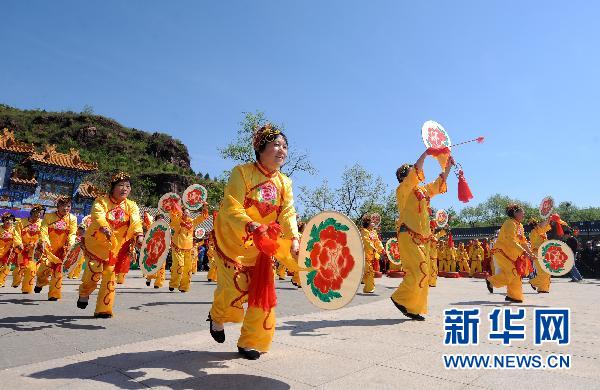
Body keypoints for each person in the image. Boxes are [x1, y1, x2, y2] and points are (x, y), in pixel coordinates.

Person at [208, 123, 300, 359]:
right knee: (234, 289)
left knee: (262, 292)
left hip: (263, 245)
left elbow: (287, 213)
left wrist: (294, 238)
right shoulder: (242, 172)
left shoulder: (285, 182)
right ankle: (217, 317)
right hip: (234, 241)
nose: (282, 150)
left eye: (285, 146)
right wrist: (251, 225)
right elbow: (231, 205)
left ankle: (250, 341)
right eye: (276, 145)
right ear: (261, 148)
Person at [390, 148, 454, 321]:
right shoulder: (402, 189)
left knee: (424, 273)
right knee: (418, 271)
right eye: (412, 170)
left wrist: (448, 166)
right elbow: (416, 170)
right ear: (405, 175)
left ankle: (412, 307)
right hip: (408, 235)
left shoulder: (423, 191)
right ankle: (400, 298)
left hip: (422, 239)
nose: (416, 172)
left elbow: (439, 183)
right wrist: (426, 153)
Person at [77, 172, 143, 318]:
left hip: (116, 248)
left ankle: (103, 309)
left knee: (109, 276)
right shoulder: (101, 202)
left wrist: (139, 235)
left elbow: (136, 221)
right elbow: (98, 216)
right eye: (120, 185)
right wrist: (104, 227)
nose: (124, 189)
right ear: (113, 188)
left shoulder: (132, 206)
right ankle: (84, 292)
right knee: (92, 273)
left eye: (127, 186)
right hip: (98, 243)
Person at [485, 204, 535, 303]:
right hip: (502, 253)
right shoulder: (509, 223)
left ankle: (514, 296)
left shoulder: (520, 225)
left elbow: (523, 242)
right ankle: (491, 281)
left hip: (513, 255)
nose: (524, 214)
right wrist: (524, 252)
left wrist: (531, 253)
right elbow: (511, 241)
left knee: (516, 275)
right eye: (522, 212)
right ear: (515, 213)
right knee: (512, 272)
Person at [34, 196, 77, 300]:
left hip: (62, 250)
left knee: (57, 272)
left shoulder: (72, 218)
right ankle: (40, 282)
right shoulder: (49, 217)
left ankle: (54, 294)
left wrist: (71, 244)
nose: (66, 208)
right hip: (48, 249)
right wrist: (44, 241)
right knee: (42, 270)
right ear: (57, 206)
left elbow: (72, 233)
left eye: (68, 206)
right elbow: (43, 230)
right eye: (63, 205)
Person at [168, 204, 209, 292]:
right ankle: (173, 283)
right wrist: (174, 206)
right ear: (181, 213)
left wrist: (205, 207)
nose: (186, 214)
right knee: (179, 265)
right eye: (184, 212)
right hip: (177, 246)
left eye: (188, 213)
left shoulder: (192, 222)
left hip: (188, 247)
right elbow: (172, 214)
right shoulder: (177, 220)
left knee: (187, 268)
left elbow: (203, 217)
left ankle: (184, 287)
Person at [12, 205, 44, 293]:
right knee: (18, 269)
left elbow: (44, 236)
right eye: (37, 212)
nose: (38, 214)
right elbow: (16, 234)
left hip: (34, 251)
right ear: (32, 212)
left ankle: (27, 289)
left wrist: (38, 244)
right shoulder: (21, 222)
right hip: (22, 250)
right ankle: (16, 281)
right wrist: (19, 244)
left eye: (40, 213)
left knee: (31, 269)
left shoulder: (42, 224)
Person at [361, 214, 384, 293]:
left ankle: (366, 284)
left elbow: (377, 241)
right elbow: (366, 242)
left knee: (369, 271)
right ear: (368, 223)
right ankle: (369, 288)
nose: (373, 223)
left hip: (372, 255)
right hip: (365, 255)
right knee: (369, 271)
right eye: (371, 222)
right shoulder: (364, 231)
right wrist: (374, 249)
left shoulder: (374, 232)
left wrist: (382, 249)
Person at [528, 217, 551, 292]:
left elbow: (546, 225)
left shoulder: (541, 231)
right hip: (537, 253)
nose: (539, 223)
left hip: (544, 252)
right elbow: (544, 224)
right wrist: (548, 218)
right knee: (543, 272)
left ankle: (543, 288)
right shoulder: (534, 232)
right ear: (535, 225)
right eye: (537, 223)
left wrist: (549, 218)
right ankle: (533, 282)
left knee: (547, 271)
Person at [0, 213, 17, 288]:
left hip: (8, 252)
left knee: (6, 267)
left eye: (11, 220)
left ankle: (1, 282)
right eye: (7, 220)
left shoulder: (14, 230)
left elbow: (18, 239)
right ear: (3, 220)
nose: (9, 222)